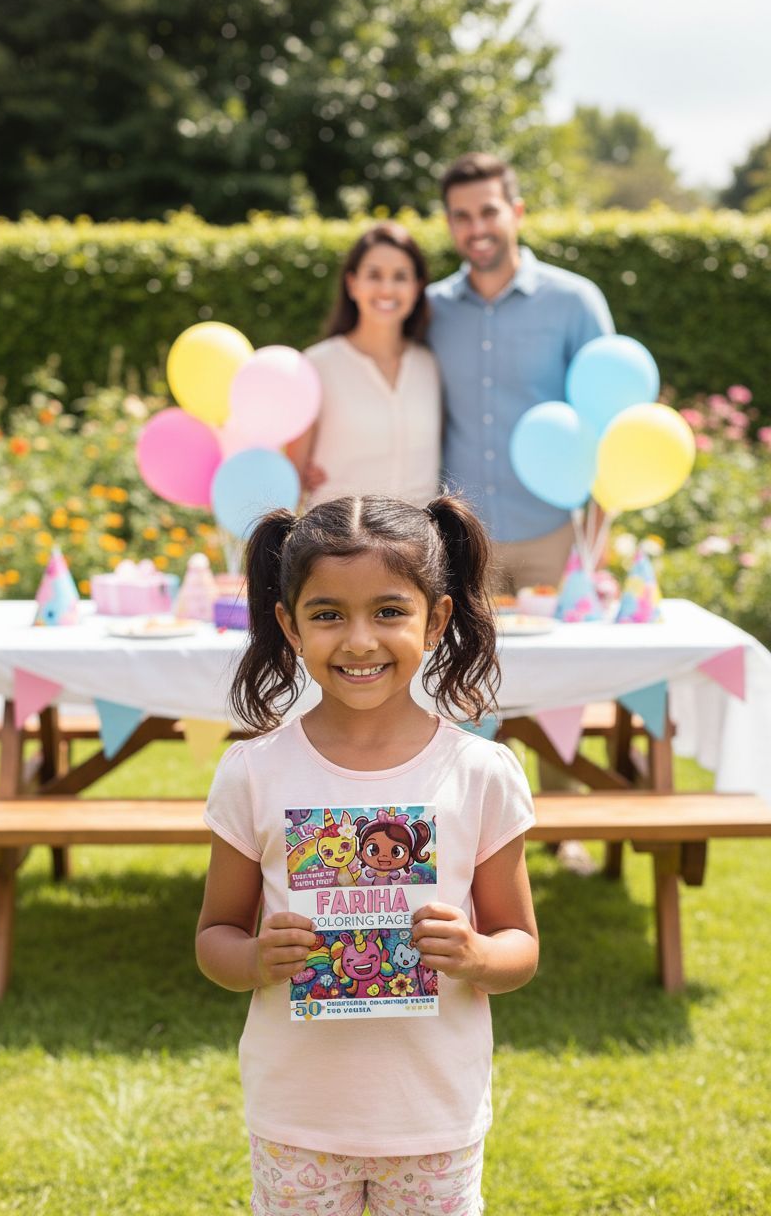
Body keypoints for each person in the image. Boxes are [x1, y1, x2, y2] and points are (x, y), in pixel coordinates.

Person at [196, 493, 538, 1216]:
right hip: (298, 1119)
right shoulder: (252, 773)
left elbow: (521, 948)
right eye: (328, 614)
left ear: (436, 618)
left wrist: (476, 953)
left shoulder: (481, 774)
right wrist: (255, 958)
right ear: (289, 625)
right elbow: (213, 938)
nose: (358, 641)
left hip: (432, 1119)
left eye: (389, 611)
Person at [427, 152, 615, 593]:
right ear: (450, 224)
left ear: (516, 212)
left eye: (489, 211)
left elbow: (609, 421)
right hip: (463, 544)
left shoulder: (575, 302)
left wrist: (596, 538)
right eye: (462, 216)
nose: (477, 229)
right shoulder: (430, 311)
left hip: (557, 538)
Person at [287, 222, 441, 508]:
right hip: (339, 544)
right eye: (374, 275)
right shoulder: (317, 365)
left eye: (400, 276)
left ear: (418, 287)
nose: (386, 288)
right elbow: (292, 479)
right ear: (352, 283)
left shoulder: (429, 364)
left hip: (418, 545)